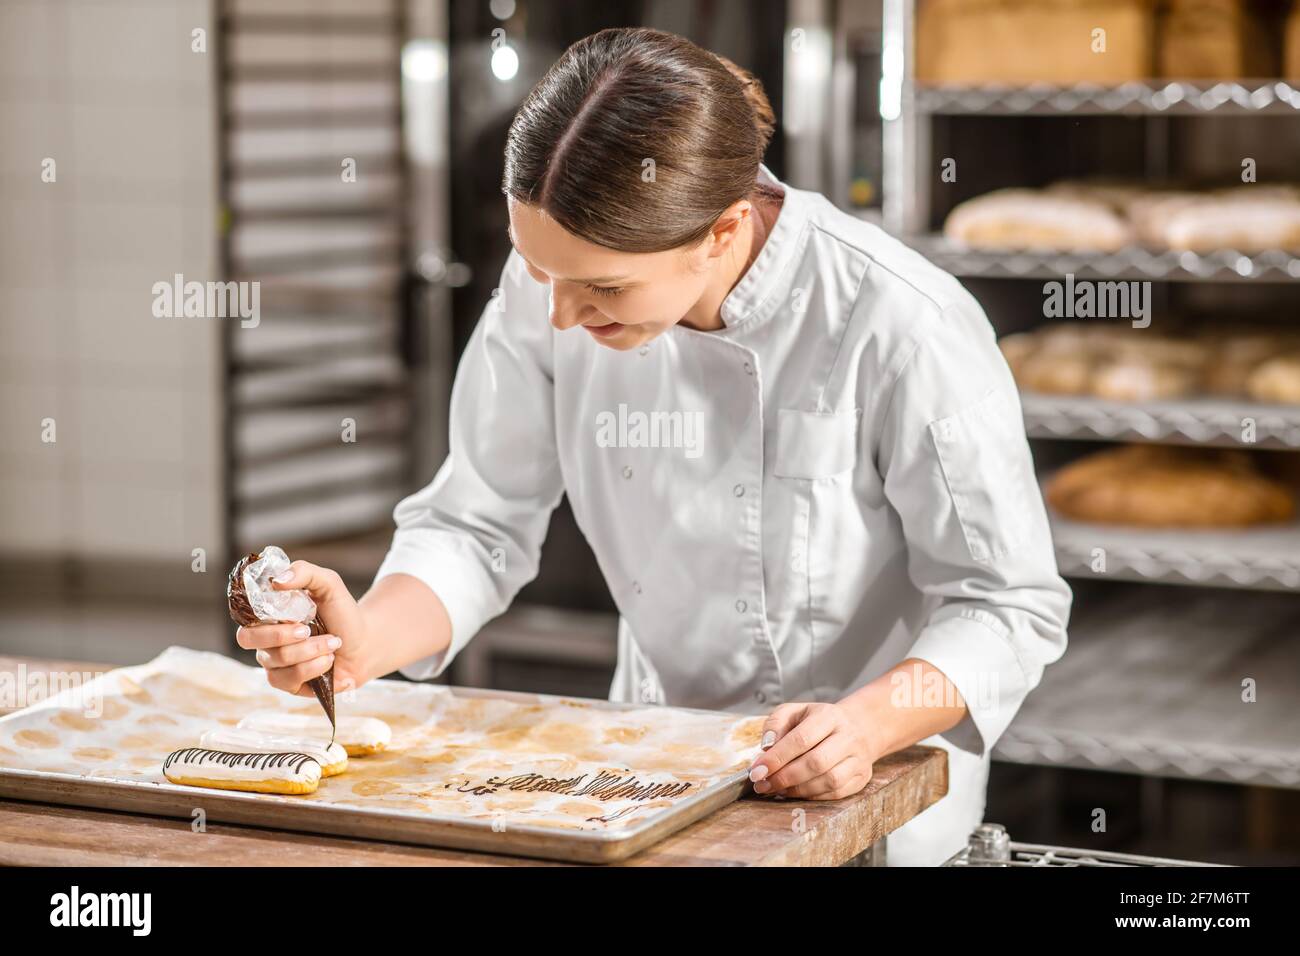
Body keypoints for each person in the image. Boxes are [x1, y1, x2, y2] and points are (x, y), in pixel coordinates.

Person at [236, 27, 1072, 866]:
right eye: (539, 271)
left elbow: (1006, 605)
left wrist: (864, 725)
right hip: (650, 779)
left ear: (724, 230)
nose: (560, 315)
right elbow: (476, 524)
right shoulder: (555, 288)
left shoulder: (902, 323)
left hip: (870, 799)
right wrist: (366, 640)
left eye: (604, 286)